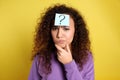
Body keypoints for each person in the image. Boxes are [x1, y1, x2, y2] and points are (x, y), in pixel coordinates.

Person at [28, 4, 94, 80]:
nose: (59, 35)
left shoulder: (86, 57)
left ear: (76, 31)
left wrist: (69, 64)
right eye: (55, 28)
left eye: (66, 29)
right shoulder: (41, 58)